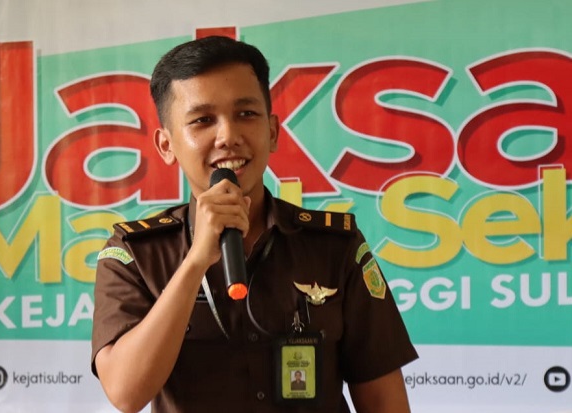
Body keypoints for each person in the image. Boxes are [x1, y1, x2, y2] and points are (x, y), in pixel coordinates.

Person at [91, 35, 418, 413]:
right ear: (167, 145)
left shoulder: (334, 245)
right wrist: (196, 261)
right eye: (203, 120)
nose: (228, 137)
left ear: (273, 131)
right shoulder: (135, 253)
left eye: (246, 114)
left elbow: (383, 399)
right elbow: (126, 393)